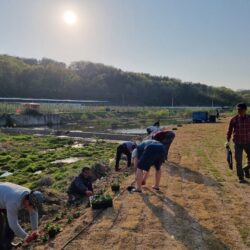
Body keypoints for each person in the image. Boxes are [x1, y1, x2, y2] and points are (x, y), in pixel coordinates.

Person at [0, 182, 44, 250]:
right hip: (5, 197)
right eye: (31, 206)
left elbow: (33, 213)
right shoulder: (13, 202)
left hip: (4, 196)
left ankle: (7, 244)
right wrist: (25, 237)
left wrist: (35, 229)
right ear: (27, 201)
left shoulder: (31, 196)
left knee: (9, 225)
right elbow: (14, 225)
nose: (31, 208)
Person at [226, 103, 250, 183]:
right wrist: (227, 140)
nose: (238, 111)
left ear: (245, 110)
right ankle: (241, 177)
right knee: (238, 161)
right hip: (238, 143)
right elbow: (229, 131)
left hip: (248, 142)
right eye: (238, 109)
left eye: (240, 109)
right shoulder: (234, 119)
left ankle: (246, 168)